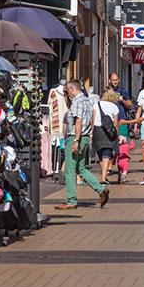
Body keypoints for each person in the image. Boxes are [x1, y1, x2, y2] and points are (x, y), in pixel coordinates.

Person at [55, 80, 110, 209]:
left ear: (72, 89)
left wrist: (76, 140)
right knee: (81, 168)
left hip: (76, 137)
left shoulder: (78, 102)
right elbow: (90, 119)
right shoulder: (87, 101)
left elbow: (78, 121)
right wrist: (89, 136)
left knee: (70, 171)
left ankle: (71, 200)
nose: (67, 92)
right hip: (85, 137)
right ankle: (101, 189)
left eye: (68, 90)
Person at [92, 90, 122, 184]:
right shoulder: (114, 107)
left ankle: (103, 176)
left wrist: (92, 133)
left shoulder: (96, 104)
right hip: (108, 132)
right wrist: (116, 135)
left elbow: (92, 120)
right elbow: (116, 124)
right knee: (107, 153)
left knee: (101, 154)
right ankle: (104, 179)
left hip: (97, 130)